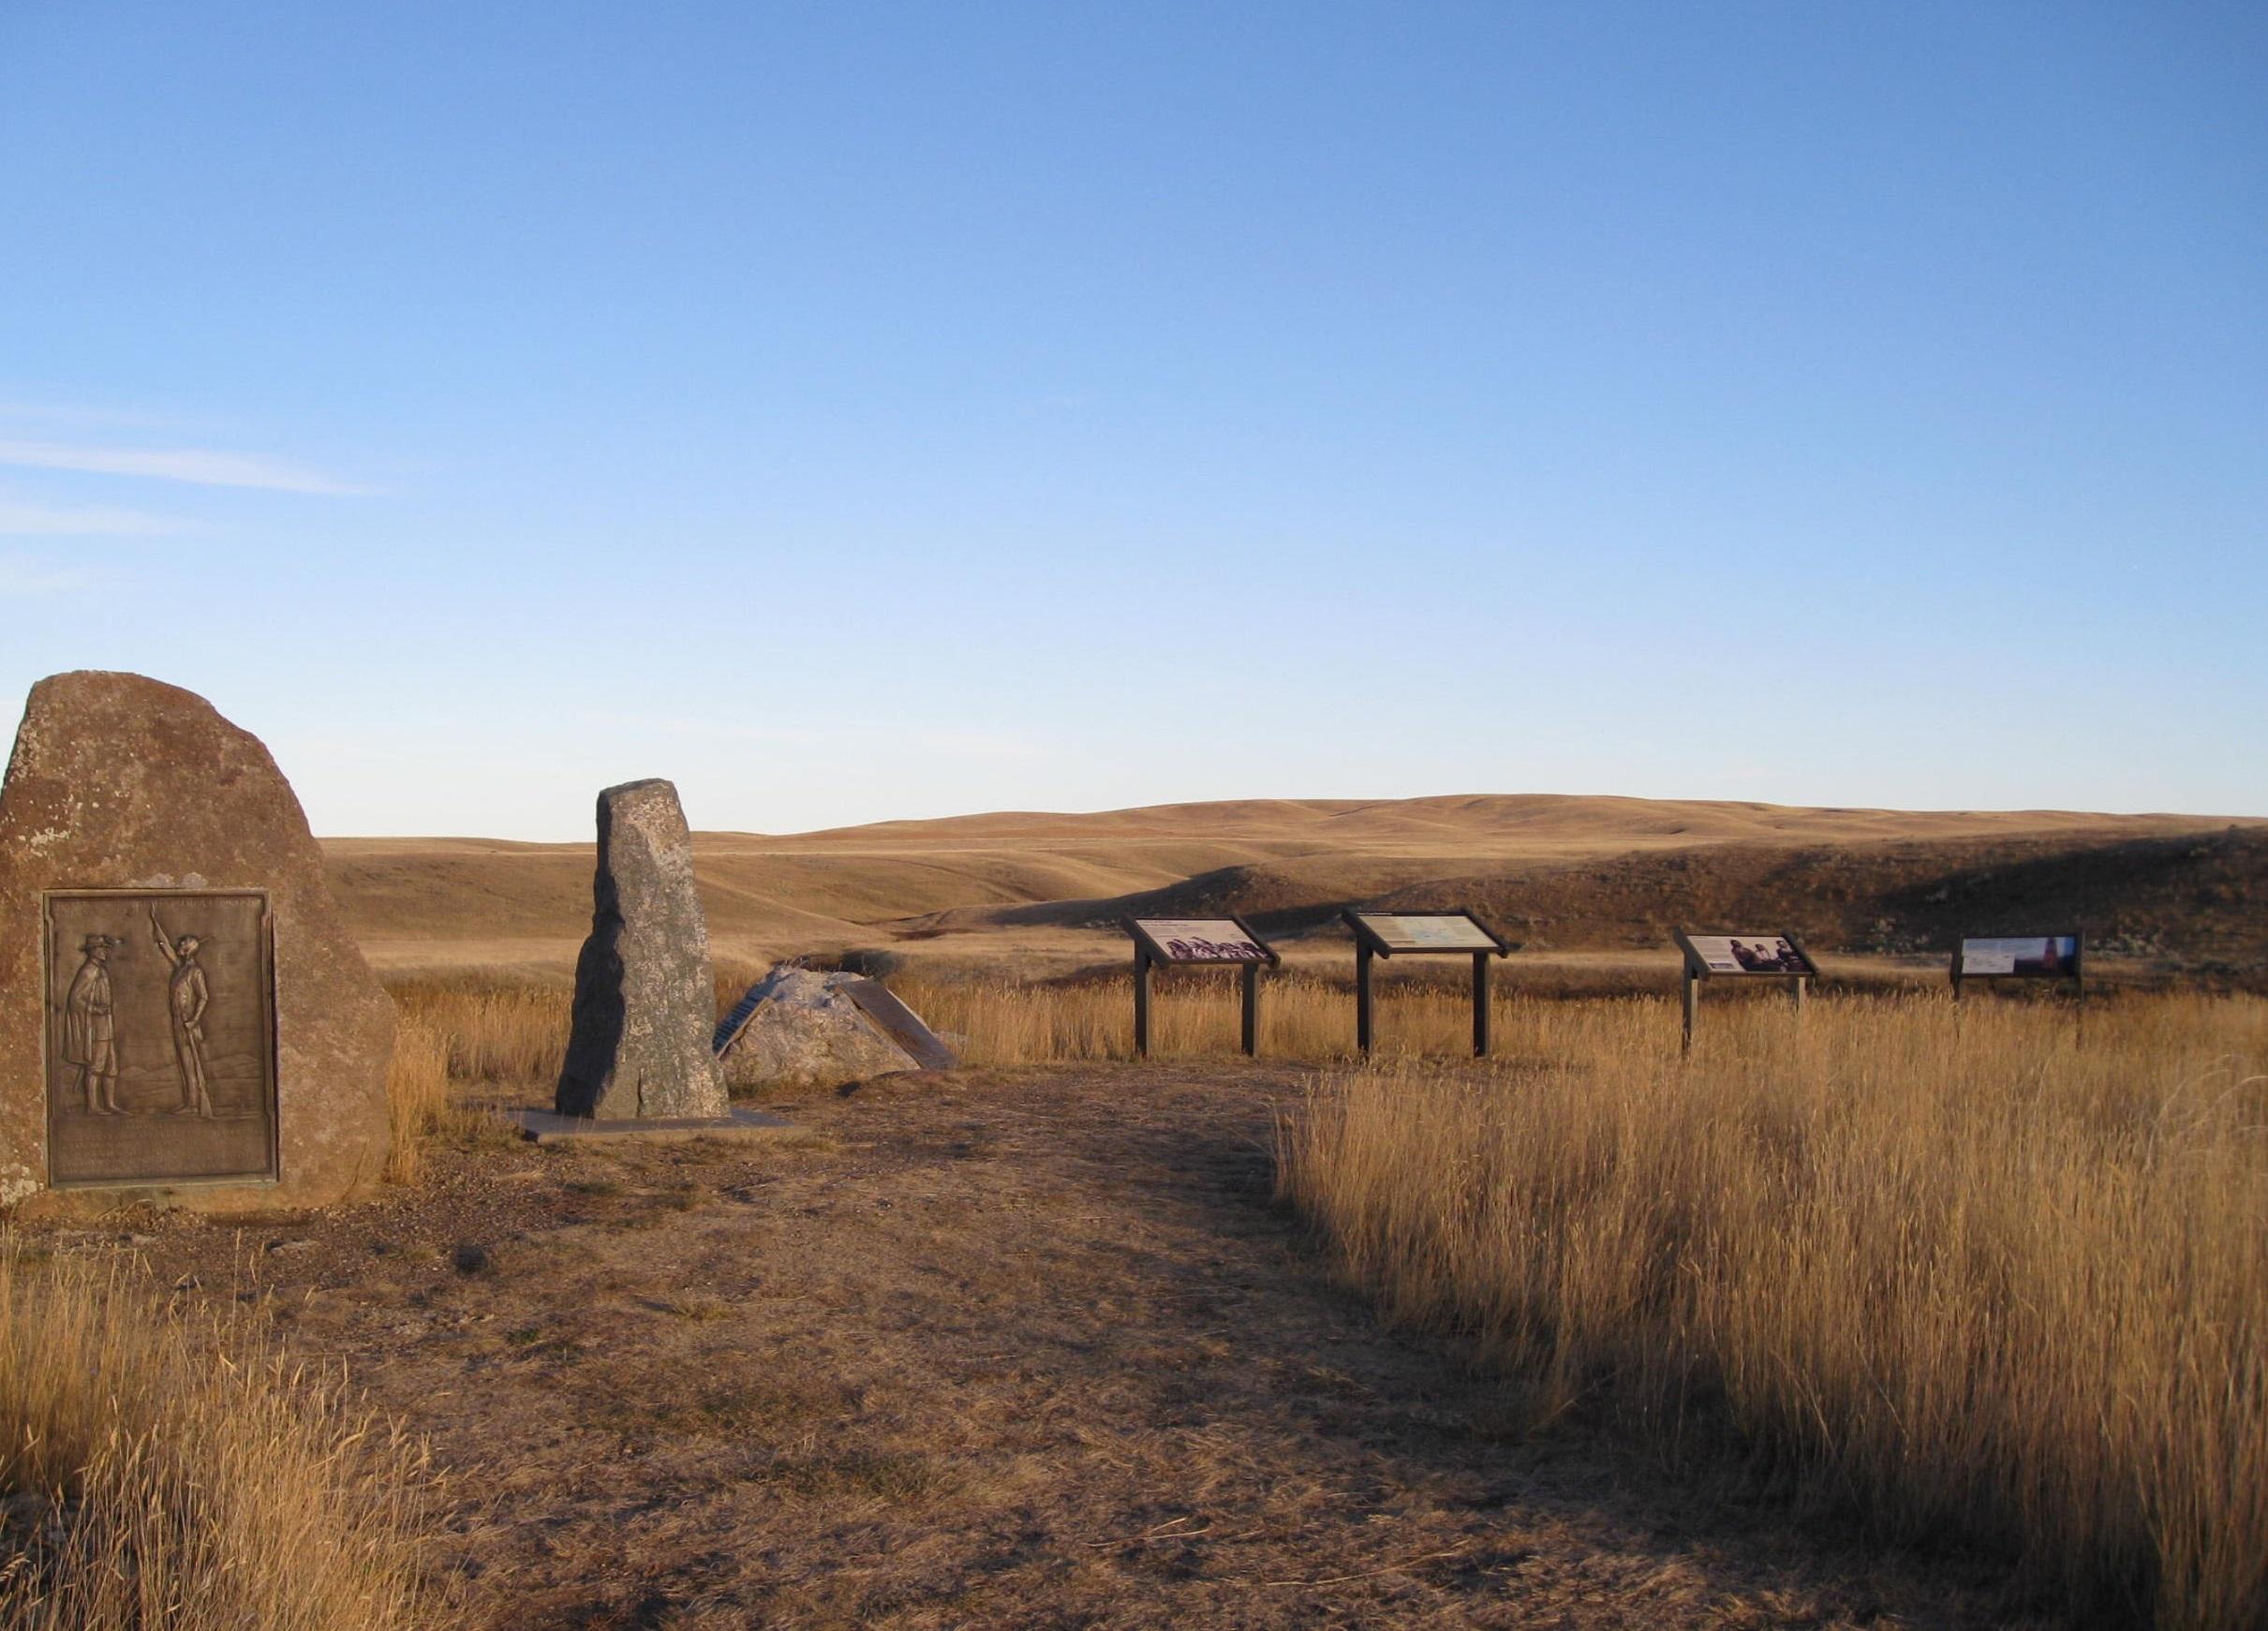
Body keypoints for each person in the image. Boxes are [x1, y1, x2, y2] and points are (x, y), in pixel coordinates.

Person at [149, 909, 213, 1118]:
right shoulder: (179, 969)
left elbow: (203, 997)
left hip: (188, 1023)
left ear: (187, 949)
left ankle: (195, 1103)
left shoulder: (195, 972)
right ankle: (190, 1101)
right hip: (178, 1021)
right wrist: (155, 922)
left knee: (192, 1062)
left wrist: (194, 1020)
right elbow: (165, 946)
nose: (177, 946)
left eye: (181, 944)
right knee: (184, 1062)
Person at [62, 933, 122, 1115]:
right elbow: (75, 999)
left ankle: (110, 1104)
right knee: (96, 1066)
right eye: (102, 948)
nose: (105, 952)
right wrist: (95, 1009)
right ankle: (93, 1106)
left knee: (111, 1067)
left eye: (105, 948)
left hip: (106, 1025)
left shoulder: (100, 970)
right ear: (93, 951)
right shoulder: (89, 970)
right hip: (95, 1028)